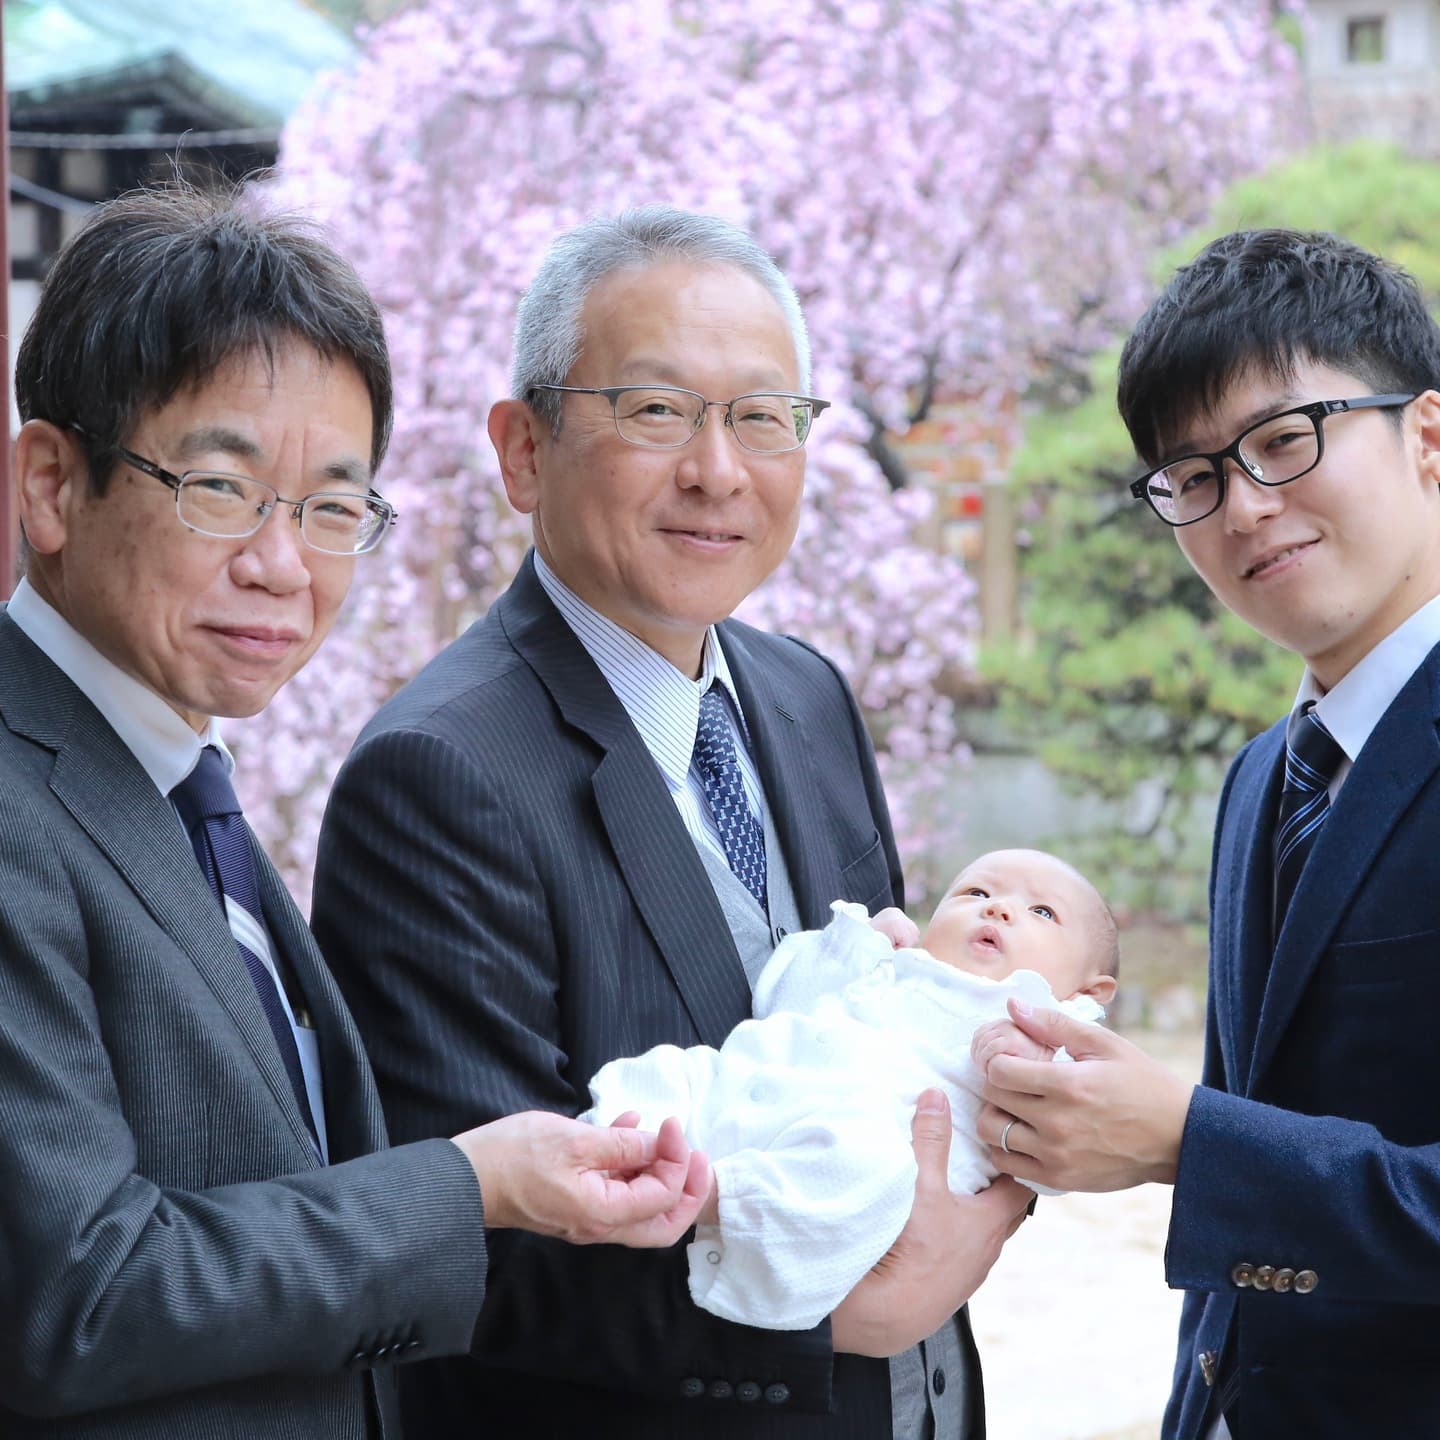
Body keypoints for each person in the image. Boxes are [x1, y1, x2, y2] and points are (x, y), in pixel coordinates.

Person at [0, 185, 710, 1440]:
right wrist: (465, 1187)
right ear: (53, 485)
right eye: (219, 491)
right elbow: (79, 1294)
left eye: (333, 509)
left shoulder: (175, 778)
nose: (284, 565)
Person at [313, 205, 1032, 1439]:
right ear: (523, 448)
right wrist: (835, 1319)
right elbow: (482, 1253)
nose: (718, 469)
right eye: (655, 411)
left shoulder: (803, 692)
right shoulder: (439, 777)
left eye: (763, 416)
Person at [973, 229, 1440, 1439]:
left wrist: (1190, 1141)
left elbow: (1228, 1140)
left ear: (1427, 437)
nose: (1246, 507)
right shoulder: (1259, 781)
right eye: (1193, 477)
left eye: (1286, 442)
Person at [583, 848, 1119, 1331]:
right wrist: (851, 947)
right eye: (977, 892)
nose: (998, 909)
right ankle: (610, 1141)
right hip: (770, 1086)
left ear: (1091, 990)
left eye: (1042, 913)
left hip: (866, 1164)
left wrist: (1040, 1067)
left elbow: (1065, 1159)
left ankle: (709, 1192)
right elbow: (782, 1000)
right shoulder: (895, 967)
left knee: (861, 1163)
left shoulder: (1056, 1029)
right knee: (692, 1069)